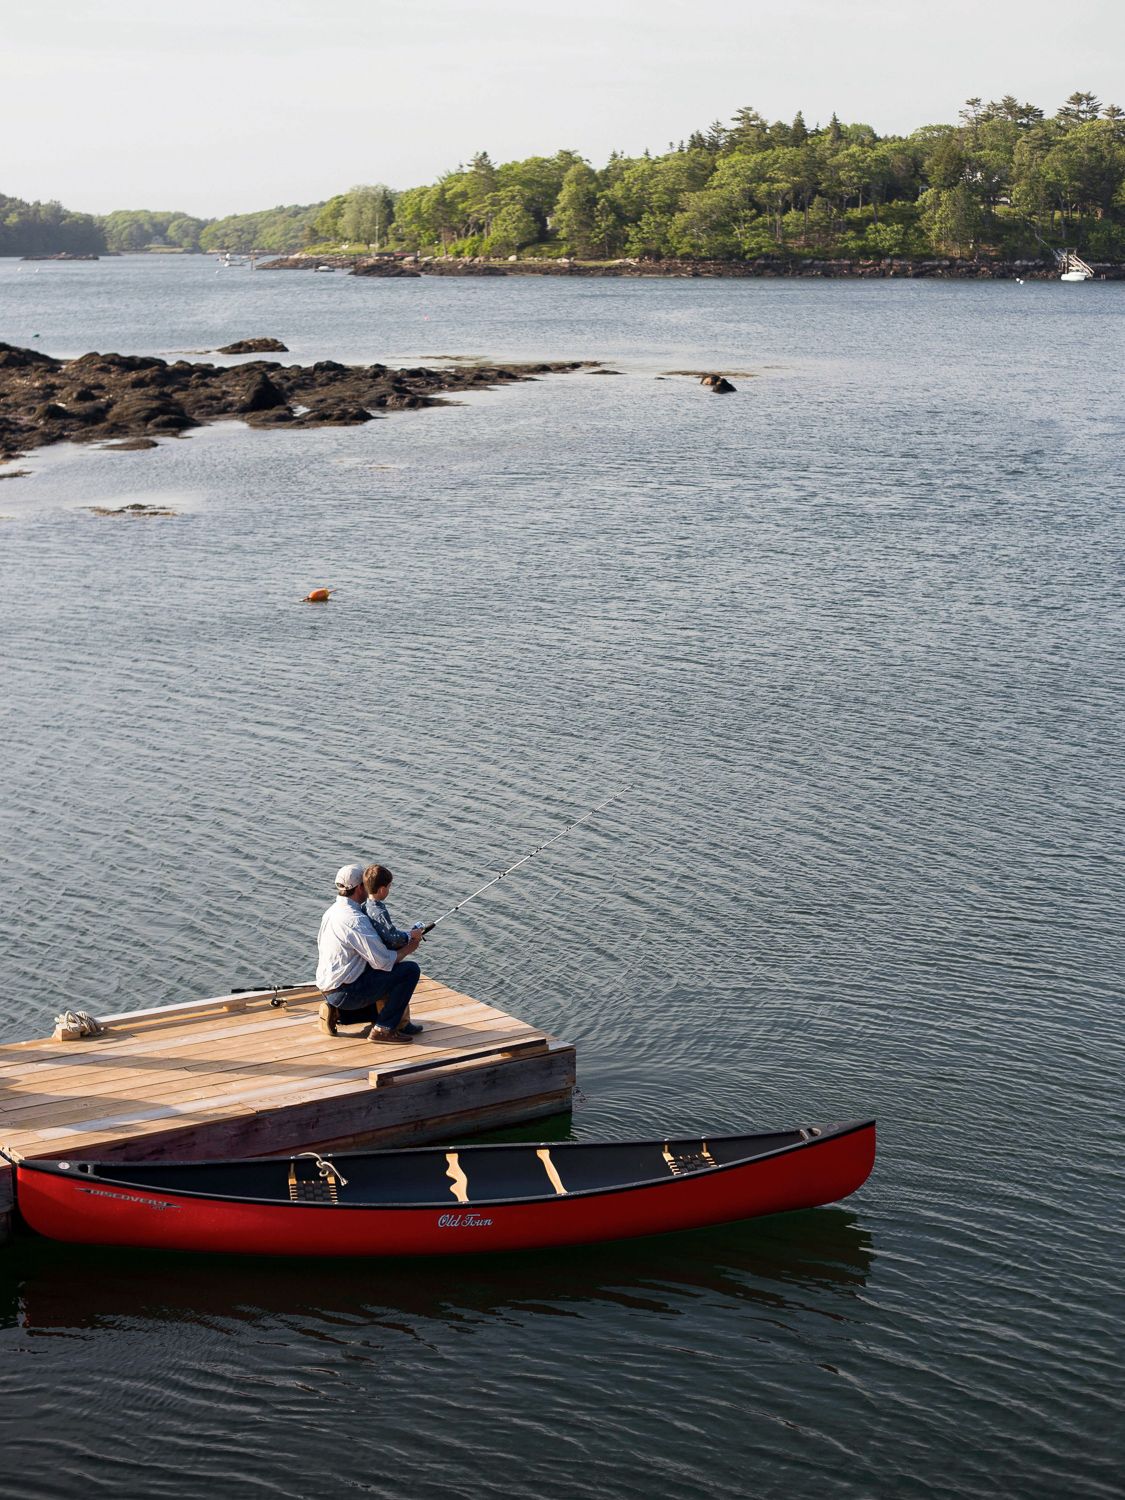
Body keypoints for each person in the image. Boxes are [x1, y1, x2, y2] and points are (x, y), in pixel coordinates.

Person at [315, 862, 424, 1043]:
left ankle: (340, 1014)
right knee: (409, 971)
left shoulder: (332, 912)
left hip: (329, 988)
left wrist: (402, 937)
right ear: (359, 888)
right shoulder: (355, 920)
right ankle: (383, 1029)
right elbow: (383, 962)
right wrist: (408, 948)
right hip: (346, 992)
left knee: (386, 983)